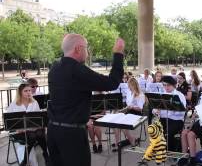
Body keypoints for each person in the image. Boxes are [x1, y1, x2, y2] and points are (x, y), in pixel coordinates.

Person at [47, 34, 124, 166]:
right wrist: (118, 54)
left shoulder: (54, 68)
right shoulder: (77, 70)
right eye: (86, 48)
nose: (87, 53)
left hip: (53, 131)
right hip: (72, 135)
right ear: (78, 49)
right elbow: (111, 83)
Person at [7, 83, 49, 166]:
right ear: (20, 93)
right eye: (25, 91)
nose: (29, 92)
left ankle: (26, 160)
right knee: (34, 135)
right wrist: (18, 129)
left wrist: (35, 126)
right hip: (19, 131)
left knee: (39, 132)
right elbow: (9, 122)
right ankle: (46, 155)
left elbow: (38, 120)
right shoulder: (14, 104)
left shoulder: (34, 102)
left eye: (29, 90)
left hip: (32, 129)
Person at [153, 76, 186, 151]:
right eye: (164, 85)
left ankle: (171, 150)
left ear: (173, 85)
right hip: (163, 119)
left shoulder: (179, 95)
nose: (166, 87)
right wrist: (156, 111)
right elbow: (154, 109)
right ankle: (161, 147)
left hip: (176, 120)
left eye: (168, 85)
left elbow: (182, 114)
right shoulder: (161, 94)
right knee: (154, 129)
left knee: (168, 132)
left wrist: (173, 109)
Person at [113, 78, 145, 152]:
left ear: (133, 85)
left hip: (136, 113)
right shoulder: (128, 92)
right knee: (115, 123)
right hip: (129, 111)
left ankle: (133, 142)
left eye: (129, 85)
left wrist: (132, 107)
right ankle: (118, 143)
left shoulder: (140, 94)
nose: (128, 87)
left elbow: (140, 109)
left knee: (123, 126)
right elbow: (128, 107)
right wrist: (120, 111)